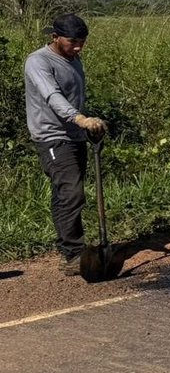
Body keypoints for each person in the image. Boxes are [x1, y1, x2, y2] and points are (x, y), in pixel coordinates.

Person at [24, 14, 106, 275]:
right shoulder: (38, 61)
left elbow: (75, 95)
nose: (78, 47)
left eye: (82, 42)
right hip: (51, 136)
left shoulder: (74, 59)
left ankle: (71, 248)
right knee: (71, 192)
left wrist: (87, 125)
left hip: (75, 135)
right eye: (73, 42)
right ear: (55, 37)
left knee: (67, 194)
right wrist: (79, 118)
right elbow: (52, 95)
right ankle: (71, 254)